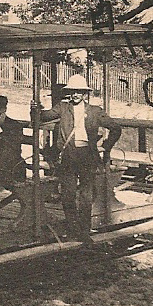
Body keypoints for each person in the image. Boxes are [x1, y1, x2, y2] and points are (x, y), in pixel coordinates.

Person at [38, 74, 122, 241]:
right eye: (73, 91)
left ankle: (84, 231)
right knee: (68, 194)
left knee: (86, 195)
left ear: (85, 94)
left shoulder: (95, 112)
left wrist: (105, 147)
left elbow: (115, 128)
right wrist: (36, 108)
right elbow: (44, 116)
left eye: (79, 92)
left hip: (87, 157)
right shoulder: (62, 107)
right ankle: (72, 229)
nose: (75, 95)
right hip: (68, 156)